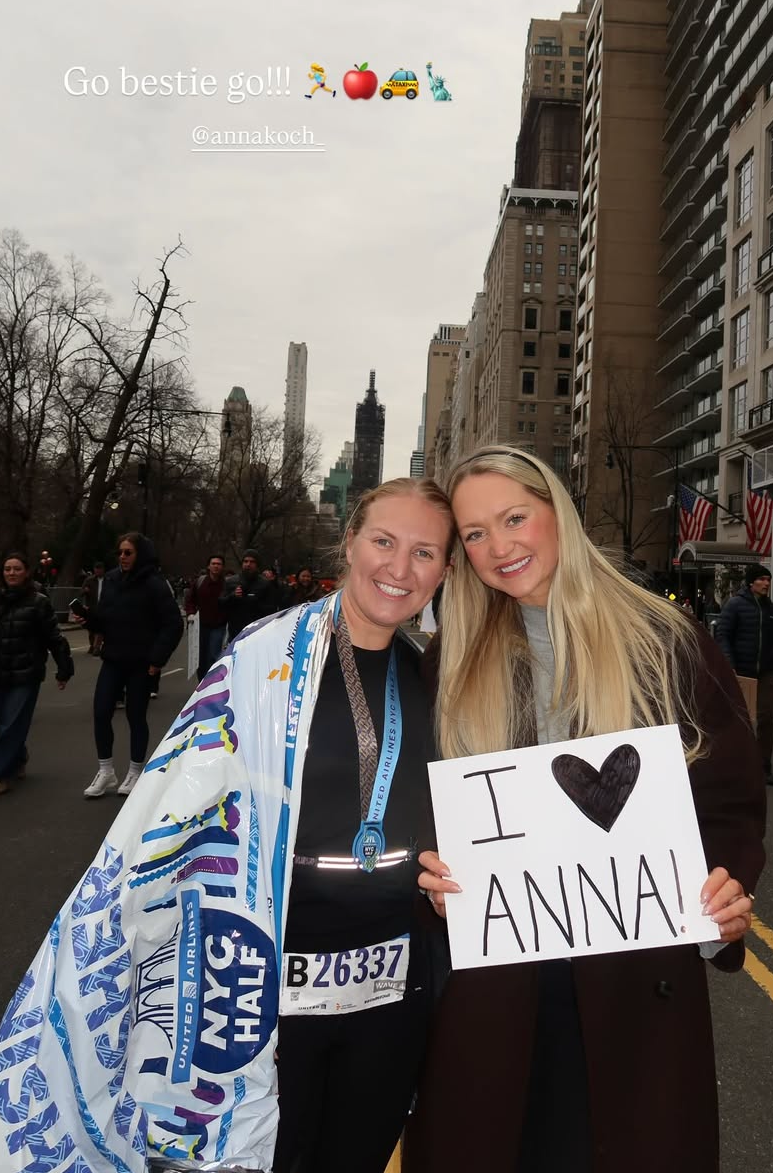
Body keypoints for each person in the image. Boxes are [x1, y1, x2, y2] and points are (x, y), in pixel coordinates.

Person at [0, 478, 454, 1173]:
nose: (400, 567)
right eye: (384, 541)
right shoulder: (262, 658)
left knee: (357, 1155)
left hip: (391, 986)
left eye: (425, 551)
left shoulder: (439, 675)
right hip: (263, 984)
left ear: (445, 570)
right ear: (351, 541)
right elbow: (172, 807)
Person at [408, 446, 766, 1173]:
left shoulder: (662, 640)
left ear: (556, 514)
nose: (498, 547)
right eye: (474, 534)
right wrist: (432, 873)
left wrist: (719, 895)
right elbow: (422, 806)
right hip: (495, 991)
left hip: (636, 990)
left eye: (514, 518)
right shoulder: (449, 661)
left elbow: (727, 796)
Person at [79, 532, 183, 798]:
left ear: (140, 555)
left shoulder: (154, 584)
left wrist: (157, 659)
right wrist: (89, 619)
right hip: (113, 658)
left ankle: (136, 771)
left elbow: (172, 623)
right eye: (120, 553)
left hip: (140, 662)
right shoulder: (112, 580)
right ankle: (106, 771)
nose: (122, 557)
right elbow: (104, 618)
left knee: (136, 716)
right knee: (101, 711)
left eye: (128, 553)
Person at [0, 552, 74, 794]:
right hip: (2, 671)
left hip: (26, 674)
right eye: (7, 569)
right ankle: (18, 757)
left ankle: (3, 772)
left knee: (10, 724)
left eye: (16, 568)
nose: (11, 573)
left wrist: (64, 669)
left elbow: (54, 637)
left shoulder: (38, 601)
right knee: (7, 722)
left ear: (26, 572)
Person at [715, 562, 773, 786]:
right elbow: (723, 635)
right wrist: (729, 664)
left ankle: (764, 766)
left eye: (768, 579)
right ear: (751, 582)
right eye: (761, 579)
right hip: (741, 672)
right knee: (740, 719)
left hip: (766, 673)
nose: (766, 583)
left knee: (767, 718)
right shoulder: (735, 605)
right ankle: (735, 764)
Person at [220, 547, 280, 641]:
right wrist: (233, 596)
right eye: (246, 561)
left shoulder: (265, 584)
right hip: (236, 631)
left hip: (257, 631)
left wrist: (253, 600)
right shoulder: (231, 582)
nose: (248, 564)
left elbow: (271, 609)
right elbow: (222, 603)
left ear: (257, 565)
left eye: (252, 562)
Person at [184, 554, 228, 680]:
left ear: (222, 567)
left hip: (218, 626)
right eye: (213, 563)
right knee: (200, 657)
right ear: (209, 566)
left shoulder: (227, 584)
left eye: (218, 564)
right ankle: (201, 684)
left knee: (214, 655)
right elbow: (190, 600)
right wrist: (190, 613)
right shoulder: (200, 582)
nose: (216, 566)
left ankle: (212, 683)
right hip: (200, 625)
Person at [81, 560, 106, 653]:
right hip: (91, 607)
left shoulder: (108, 580)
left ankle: (97, 647)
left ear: (103, 570)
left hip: (103, 607)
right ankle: (92, 645)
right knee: (91, 629)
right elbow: (81, 592)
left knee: (99, 628)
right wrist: (85, 591)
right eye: (96, 570)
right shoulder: (89, 580)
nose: (97, 572)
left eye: (99, 570)